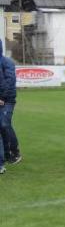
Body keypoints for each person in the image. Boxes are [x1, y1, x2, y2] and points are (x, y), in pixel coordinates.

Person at [0, 39, 20, 172]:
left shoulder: (7, 63)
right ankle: (6, 155)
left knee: (4, 124)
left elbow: (9, 81)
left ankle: (14, 152)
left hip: (8, 99)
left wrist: (2, 97)